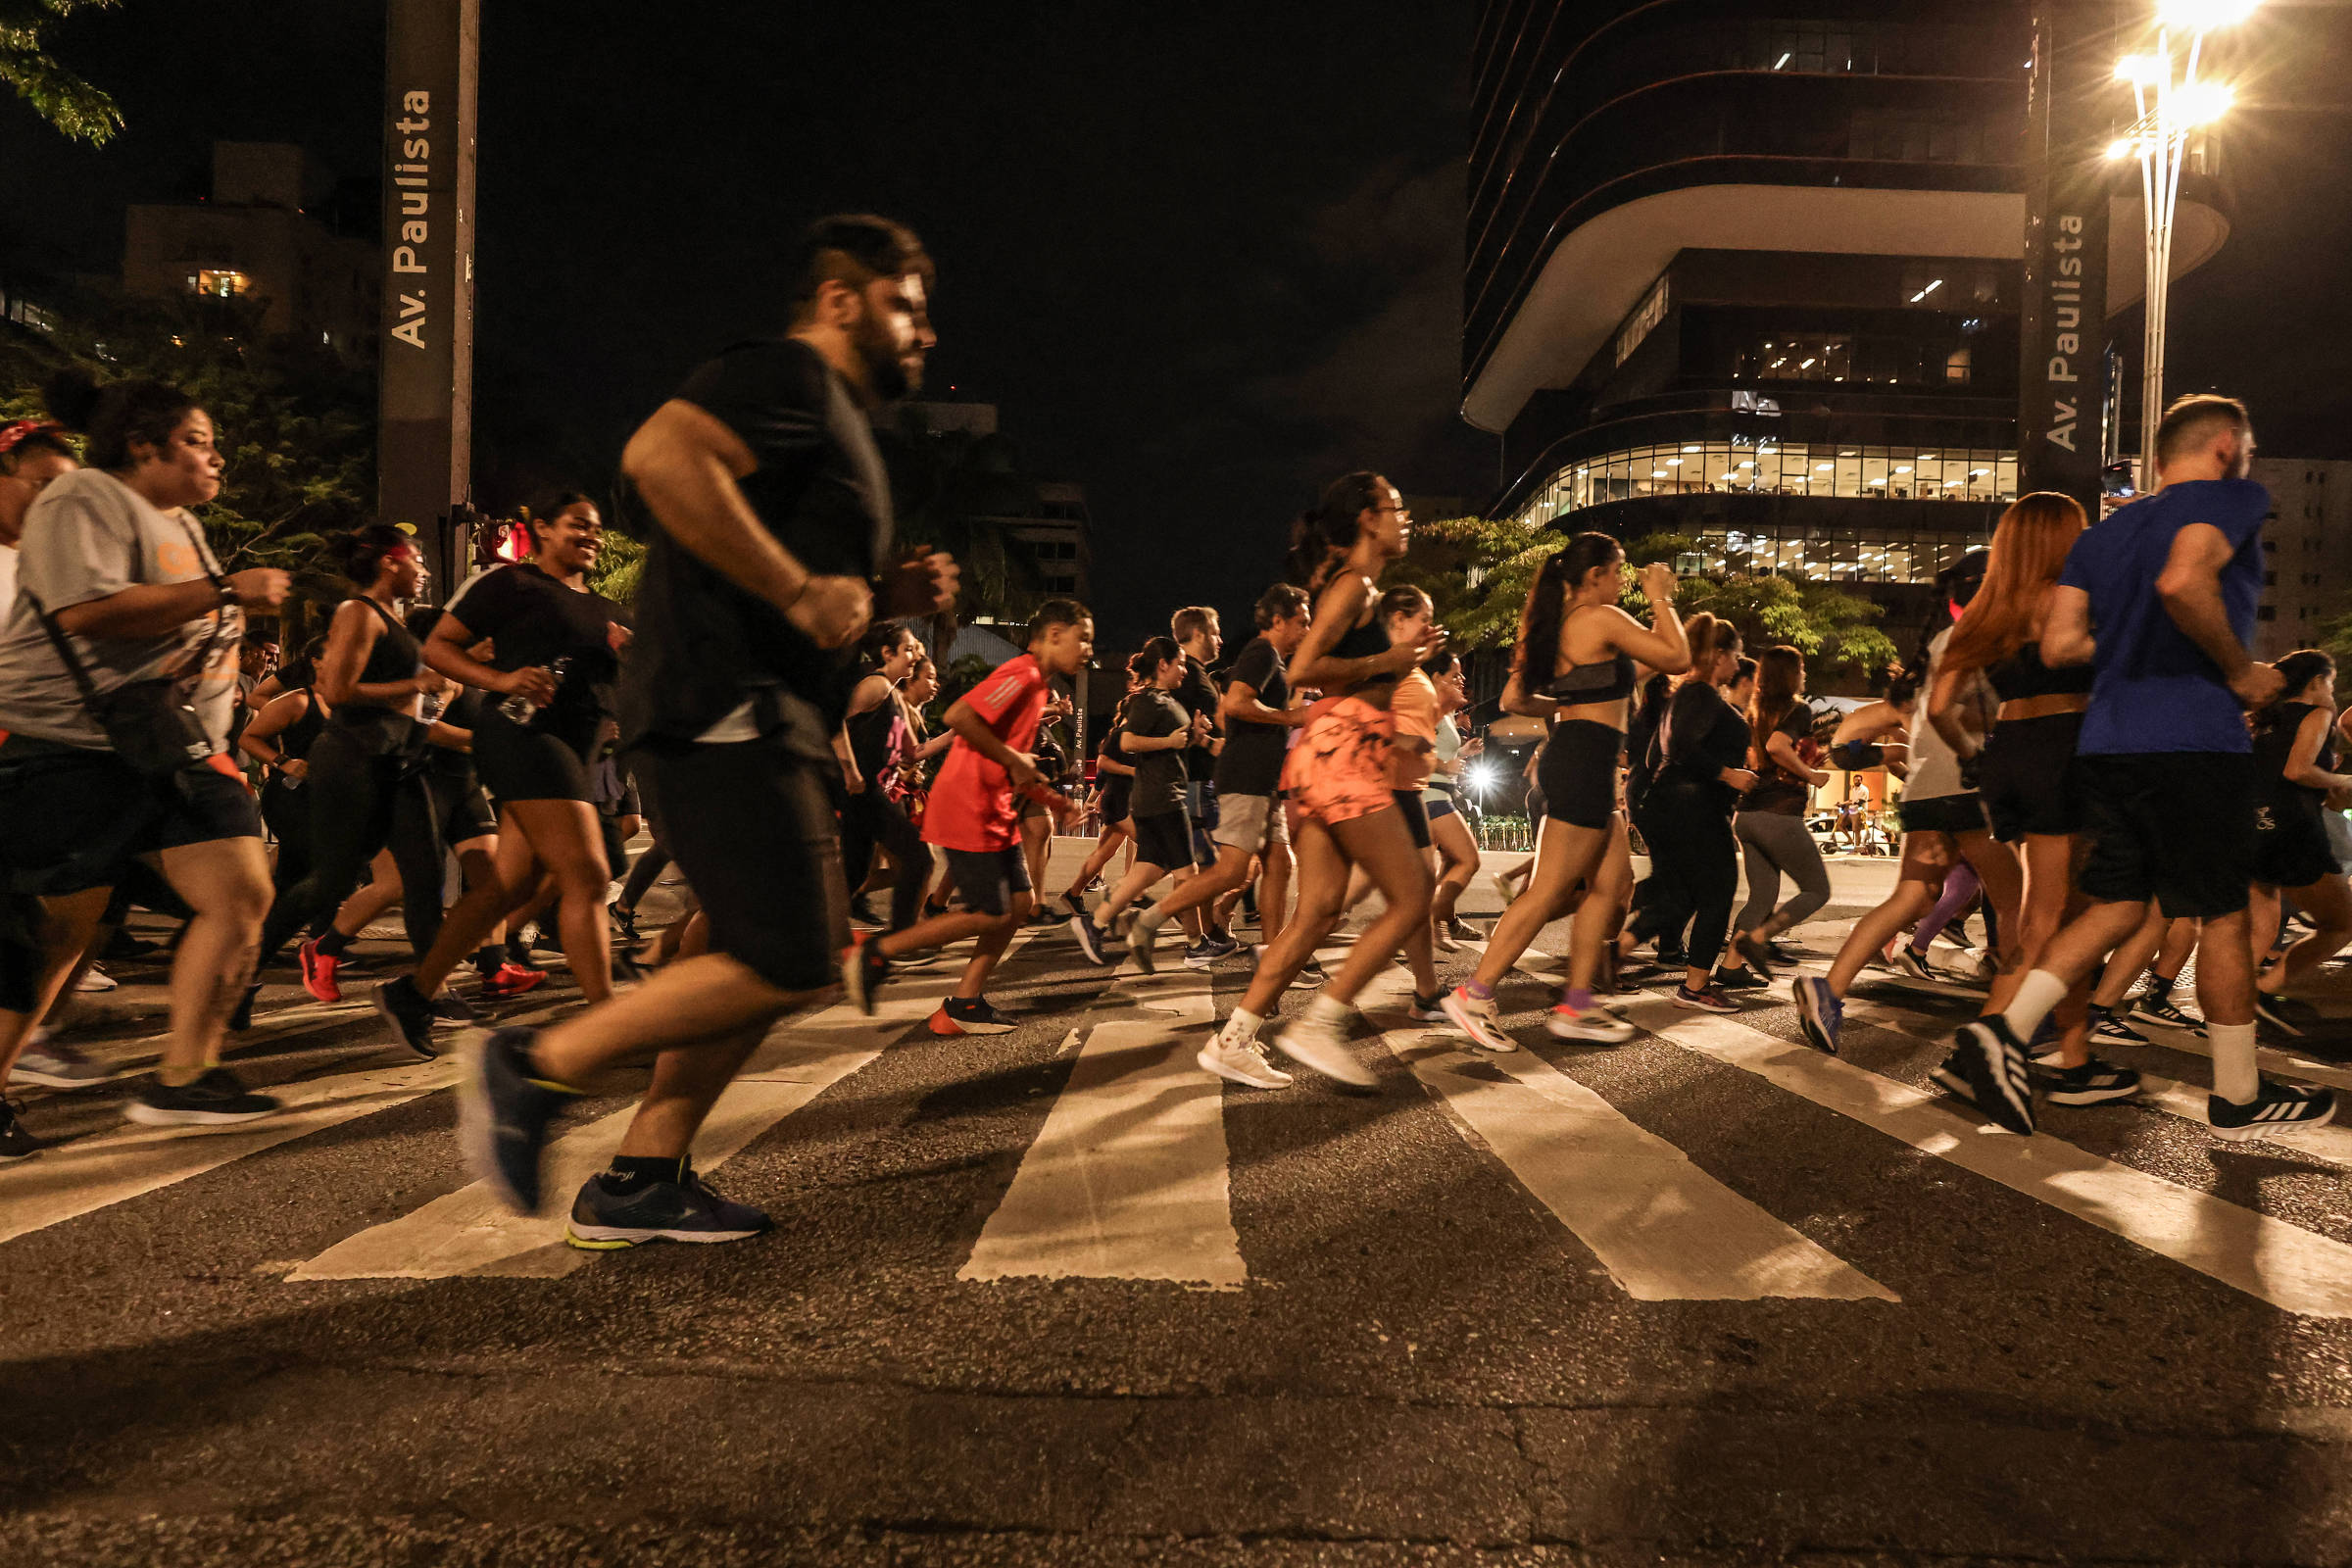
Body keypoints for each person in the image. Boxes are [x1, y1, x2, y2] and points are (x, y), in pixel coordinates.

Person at [455, 213, 957, 1245]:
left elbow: (810, 582)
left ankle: (642, 1175)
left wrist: (881, 586)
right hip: (724, 706)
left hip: (758, 711)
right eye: (907, 307)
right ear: (841, 299)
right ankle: (536, 1066)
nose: (924, 333)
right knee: (795, 955)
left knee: (742, 947)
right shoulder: (786, 375)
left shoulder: (828, 418)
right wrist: (800, 585)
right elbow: (663, 455)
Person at [1943, 394, 2335, 1138]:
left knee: (2120, 902)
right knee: (2222, 915)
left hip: (2109, 743)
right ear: (2227, 445)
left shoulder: (2106, 535)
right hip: (2193, 739)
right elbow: (2183, 582)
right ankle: (2238, 1095)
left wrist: (2126, 649)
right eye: (2244, 448)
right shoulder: (2234, 496)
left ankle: (2000, 1032)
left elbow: (2060, 646)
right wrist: (2238, 671)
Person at [0, 368, 291, 1152]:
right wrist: (225, 590)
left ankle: (182, 1077)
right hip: (72, 745)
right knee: (54, 934)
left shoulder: (180, 522)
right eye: (197, 443)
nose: (215, 458)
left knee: (241, 894)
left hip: (163, 745)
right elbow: (84, 613)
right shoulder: (82, 497)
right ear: (142, 445)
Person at [1199, 473, 1442, 1090]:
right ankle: (1320, 1023)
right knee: (1413, 894)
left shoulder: (1359, 585)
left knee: (1318, 915)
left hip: (1323, 752)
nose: (1405, 517)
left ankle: (1233, 1041)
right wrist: (1388, 660)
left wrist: (1398, 660)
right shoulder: (1355, 584)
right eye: (1395, 506)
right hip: (1342, 751)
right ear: (1366, 518)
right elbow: (1305, 667)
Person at [371, 493, 632, 1054]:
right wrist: (504, 680)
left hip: (579, 747)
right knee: (586, 875)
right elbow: (438, 648)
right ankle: (606, 1027)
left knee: (507, 888)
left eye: (596, 530)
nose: (591, 537)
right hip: (523, 738)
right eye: (577, 526)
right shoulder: (509, 585)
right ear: (541, 528)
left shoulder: (609, 610)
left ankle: (413, 993)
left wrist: (631, 659)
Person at [1928, 493, 2139, 1105]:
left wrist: (1974, 753)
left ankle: (2074, 1058)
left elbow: (1942, 707)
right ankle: (1981, 1052)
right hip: (2067, 746)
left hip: (2011, 749)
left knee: (2060, 917)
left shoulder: (1985, 610)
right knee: (2056, 918)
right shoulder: (2069, 600)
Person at [1446, 538, 1692, 1045]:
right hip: (1583, 760)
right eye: (1620, 572)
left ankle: (1577, 1003)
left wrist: (1566, 702)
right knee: (1549, 890)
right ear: (1596, 575)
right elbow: (1675, 656)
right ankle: (1475, 993)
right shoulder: (1599, 616)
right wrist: (1661, 598)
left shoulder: (1571, 627)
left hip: (1586, 759)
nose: (1625, 581)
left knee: (1611, 885)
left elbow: (1518, 695)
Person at [1792, 556, 2024, 1055]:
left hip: (1922, 793)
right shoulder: (1990, 643)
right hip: (1968, 790)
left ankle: (1828, 991)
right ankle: (2006, 1028)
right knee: (2014, 902)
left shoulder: (1937, 647)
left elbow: (1869, 727)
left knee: (1913, 897)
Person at [851, 601, 1094, 1032]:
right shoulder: (1022, 672)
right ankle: (878, 952)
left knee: (1020, 904)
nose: (1089, 650)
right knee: (992, 910)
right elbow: (959, 715)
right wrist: (1015, 760)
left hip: (996, 809)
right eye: (1084, 638)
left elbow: (1016, 766)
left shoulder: (1038, 685)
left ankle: (964, 1004)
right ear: (1054, 634)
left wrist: (1060, 803)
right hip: (968, 805)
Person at [245, 524, 445, 1021]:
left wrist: (431, 701)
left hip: (397, 764)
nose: (424, 569)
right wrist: (414, 684)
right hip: (352, 759)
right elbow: (336, 690)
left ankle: (422, 998)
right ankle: (240, 970)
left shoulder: (398, 621)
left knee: (425, 879)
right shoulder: (359, 611)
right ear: (388, 561)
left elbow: (408, 700)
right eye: (417, 558)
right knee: (329, 883)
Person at [1117, 583, 1308, 978]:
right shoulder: (1262, 652)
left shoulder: (1278, 660)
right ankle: (1148, 921)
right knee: (1230, 872)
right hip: (1246, 778)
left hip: (1263, 779)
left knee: (1280, 864)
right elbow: (1237, 703)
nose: (1307, 629)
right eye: (1301, 622)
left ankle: (1271, 962)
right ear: (1278, 620)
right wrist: (1289, 718)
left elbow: (1225, 714)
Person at [1070, 639, 1202, 962]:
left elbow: (1170, 746)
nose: (1185, 670)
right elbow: (1129, 741)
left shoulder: (1165, 700)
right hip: (1161, 797)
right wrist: (1169, 740)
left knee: (1146, 871)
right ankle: (1198, 943)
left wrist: (1195, 736)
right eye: (1181, 664)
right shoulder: (1148, 700)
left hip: (1158, 795)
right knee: (1189, 875)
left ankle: (1097, 924)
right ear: (1163, 665)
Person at [2246, 651, 2352, 1034]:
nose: (2332, 691)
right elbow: (2297, 770)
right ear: (2315, 682)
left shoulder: (2263, 722)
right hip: (2293, 831)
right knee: (2341, 923)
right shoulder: (2317, 714)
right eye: (2331, 682)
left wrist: (2330, 789)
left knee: (2258, 928)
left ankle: (2230, 1005)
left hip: (2252, 829)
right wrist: (2340, 781)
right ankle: (2259, 992)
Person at [1729, 646, 1831, 971]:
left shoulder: (1754, 712)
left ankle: (1731, 966)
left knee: (1762, 897)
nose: (1805, 674)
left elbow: (1756, 756)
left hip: (1747, 814)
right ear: (1789, 674)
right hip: (1778, 813)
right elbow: (1776, 746)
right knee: (1817, 890)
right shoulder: (1797, 710)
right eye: (1801, 668)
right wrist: (1811, 774)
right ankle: (1759, 939)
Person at [836, 621, 930, 933]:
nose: (916, 655)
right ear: (887, 654)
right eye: (909, 649)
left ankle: (808, 941)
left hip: (865, 793)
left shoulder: (890, 693)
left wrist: (961, 733)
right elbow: (833, 721)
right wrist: (849, 770)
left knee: (852, 876)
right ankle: (901, 940)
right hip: (861, 791)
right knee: (918, 858)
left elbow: (912, 753)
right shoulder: (875, 684)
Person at [1423, 652, 1484, 951]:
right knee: (1468, 859)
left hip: (1440, 792)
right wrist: (1444, 765)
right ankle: (1430, 919)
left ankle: (1435, 923)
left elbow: (1439, 752)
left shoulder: (1444, 712)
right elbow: (1409, 747)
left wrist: (1461, 754)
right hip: (1429, 794)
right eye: (1454, 675)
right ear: (1435, 677)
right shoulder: (1427, 706)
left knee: (1442, 864)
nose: (1461, 680)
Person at [1171, 606, 1226, 879]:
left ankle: (1208, 922)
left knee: (1197, 870)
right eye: (1215, 633)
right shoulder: (1187, 675)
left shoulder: (1196, 673)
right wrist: (1208, 743)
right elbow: (1176, 726)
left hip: (1200, 781)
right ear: (1197, 634)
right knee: (1209, 868)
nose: (1220, 640)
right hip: (1194, 781)